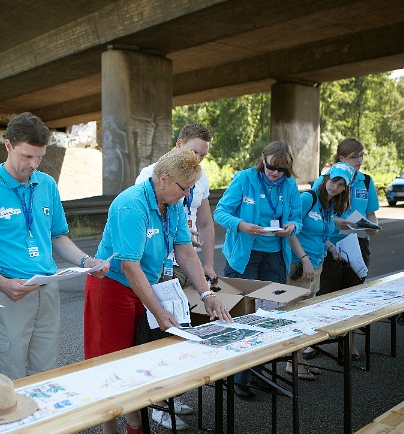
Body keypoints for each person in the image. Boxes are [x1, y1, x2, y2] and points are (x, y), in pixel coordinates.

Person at [84, 147, 232, 434]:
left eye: (190, 189)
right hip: (113, 289)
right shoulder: (131, 205)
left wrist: (207, 295)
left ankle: (135, 424)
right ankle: (110, 428)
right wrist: (159, 310)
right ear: (163, 179)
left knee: (140, 360)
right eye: (184, 188)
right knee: (111, 364)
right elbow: (129, 266)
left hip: (146, 287)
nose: (187, 196)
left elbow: (186, 252)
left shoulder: (173, 204)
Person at [0, 112, 108, 380]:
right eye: (27, 156)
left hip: (47, 291)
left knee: (45, 376)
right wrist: (2, 283)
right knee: (7, 379)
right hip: (8, 294)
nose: (34, 164)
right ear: (8, 146)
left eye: (40, 156)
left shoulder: (47, 184)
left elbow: (58, 237)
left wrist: (87, 262)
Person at [134, 123, 216, 429]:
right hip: (155, 265)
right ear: (178, 143)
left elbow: (206, 223)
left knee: (177, 330)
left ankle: (170, 392)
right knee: (154, 332)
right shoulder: (150, 175)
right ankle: (156, 402)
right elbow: (151, 221)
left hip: (181, 263)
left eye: (203, 155)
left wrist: (207, 265)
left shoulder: (199, 178)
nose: (198, 158)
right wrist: (177, 236)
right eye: (193, 151)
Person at [213, 140, 302, 400]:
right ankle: (239, 378)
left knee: (268, 315)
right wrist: (241, 225)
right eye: (272, 167)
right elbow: (221, 212)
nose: (275, 174)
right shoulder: (244, 179)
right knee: (242, 315)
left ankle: (259, 373)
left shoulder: (290, 186)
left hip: (275, 256)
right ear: (263, 159)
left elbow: (296, 218)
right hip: (245, 256)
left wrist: (292, 227)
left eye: (281, 170)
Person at [308, 137, 380, 361]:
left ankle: (348, 343)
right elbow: (316, 209)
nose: (359, 160)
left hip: (357, 243)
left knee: (352, 295)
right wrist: (336, 224)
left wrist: (373, 227)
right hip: (330, 243)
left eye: (361, 156)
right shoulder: (325, 180)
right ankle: (314, 342)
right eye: (354, 156)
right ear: (341, 158)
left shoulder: (366, 181)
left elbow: (371, 212)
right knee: (324, 293)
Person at [284, 162, 354, 380]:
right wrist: (304, 259)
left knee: (305, 314)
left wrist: (332, 249)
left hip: (316, 265)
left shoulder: (328, 205)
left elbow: (321, 235)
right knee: (294, 314)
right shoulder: (308, 198)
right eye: (335, 181)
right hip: (299, 266)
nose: (336, 187)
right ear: (326, 178)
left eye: (342, 185)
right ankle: (291, 362)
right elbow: (290, 231)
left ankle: (299, 359)